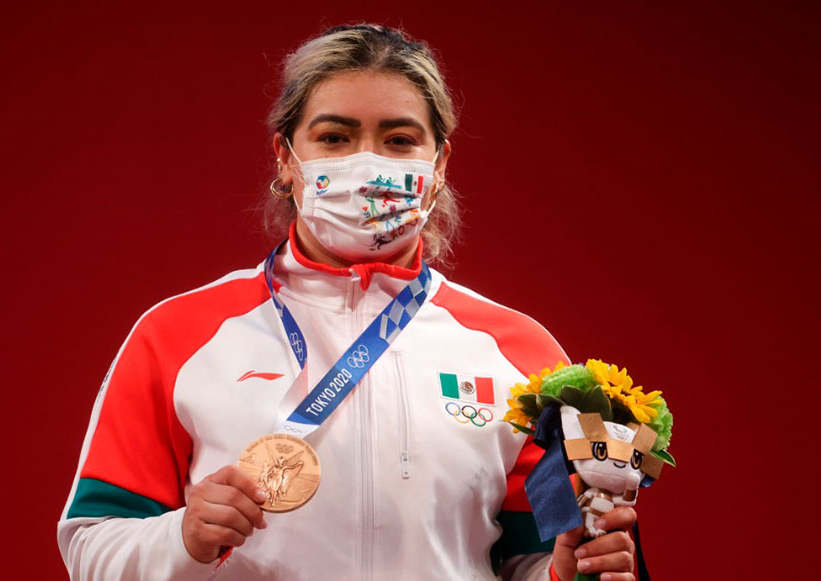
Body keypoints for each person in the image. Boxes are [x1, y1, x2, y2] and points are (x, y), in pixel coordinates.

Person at [57, 24, 640, 580]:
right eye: (335, 138)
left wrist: (568, 571)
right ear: (286, 158)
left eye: (399, 140)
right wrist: (181, 538)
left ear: (439, 165)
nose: (369, 165)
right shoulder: (178, 334)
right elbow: (90, 548)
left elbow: (533, 559)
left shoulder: (517, 352)